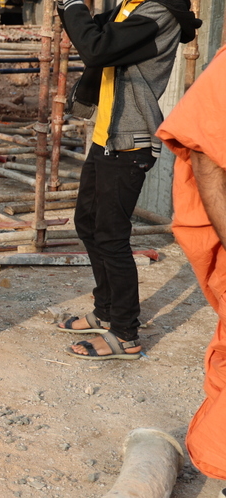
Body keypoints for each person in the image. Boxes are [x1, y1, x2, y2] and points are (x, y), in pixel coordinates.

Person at [44, 0, 201, 359]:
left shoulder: (160, 11)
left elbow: (97, 48)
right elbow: (94, 33)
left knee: (111, 235)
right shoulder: (136, 3)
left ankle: (126, 333)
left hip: (130, 139)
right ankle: (107, 310)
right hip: (108, 133)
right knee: (88, 223)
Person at [155, 45, 226, 482]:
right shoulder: (148, 16)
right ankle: (120, 328)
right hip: (118, 140)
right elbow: (205, 149)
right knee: (98, 229)